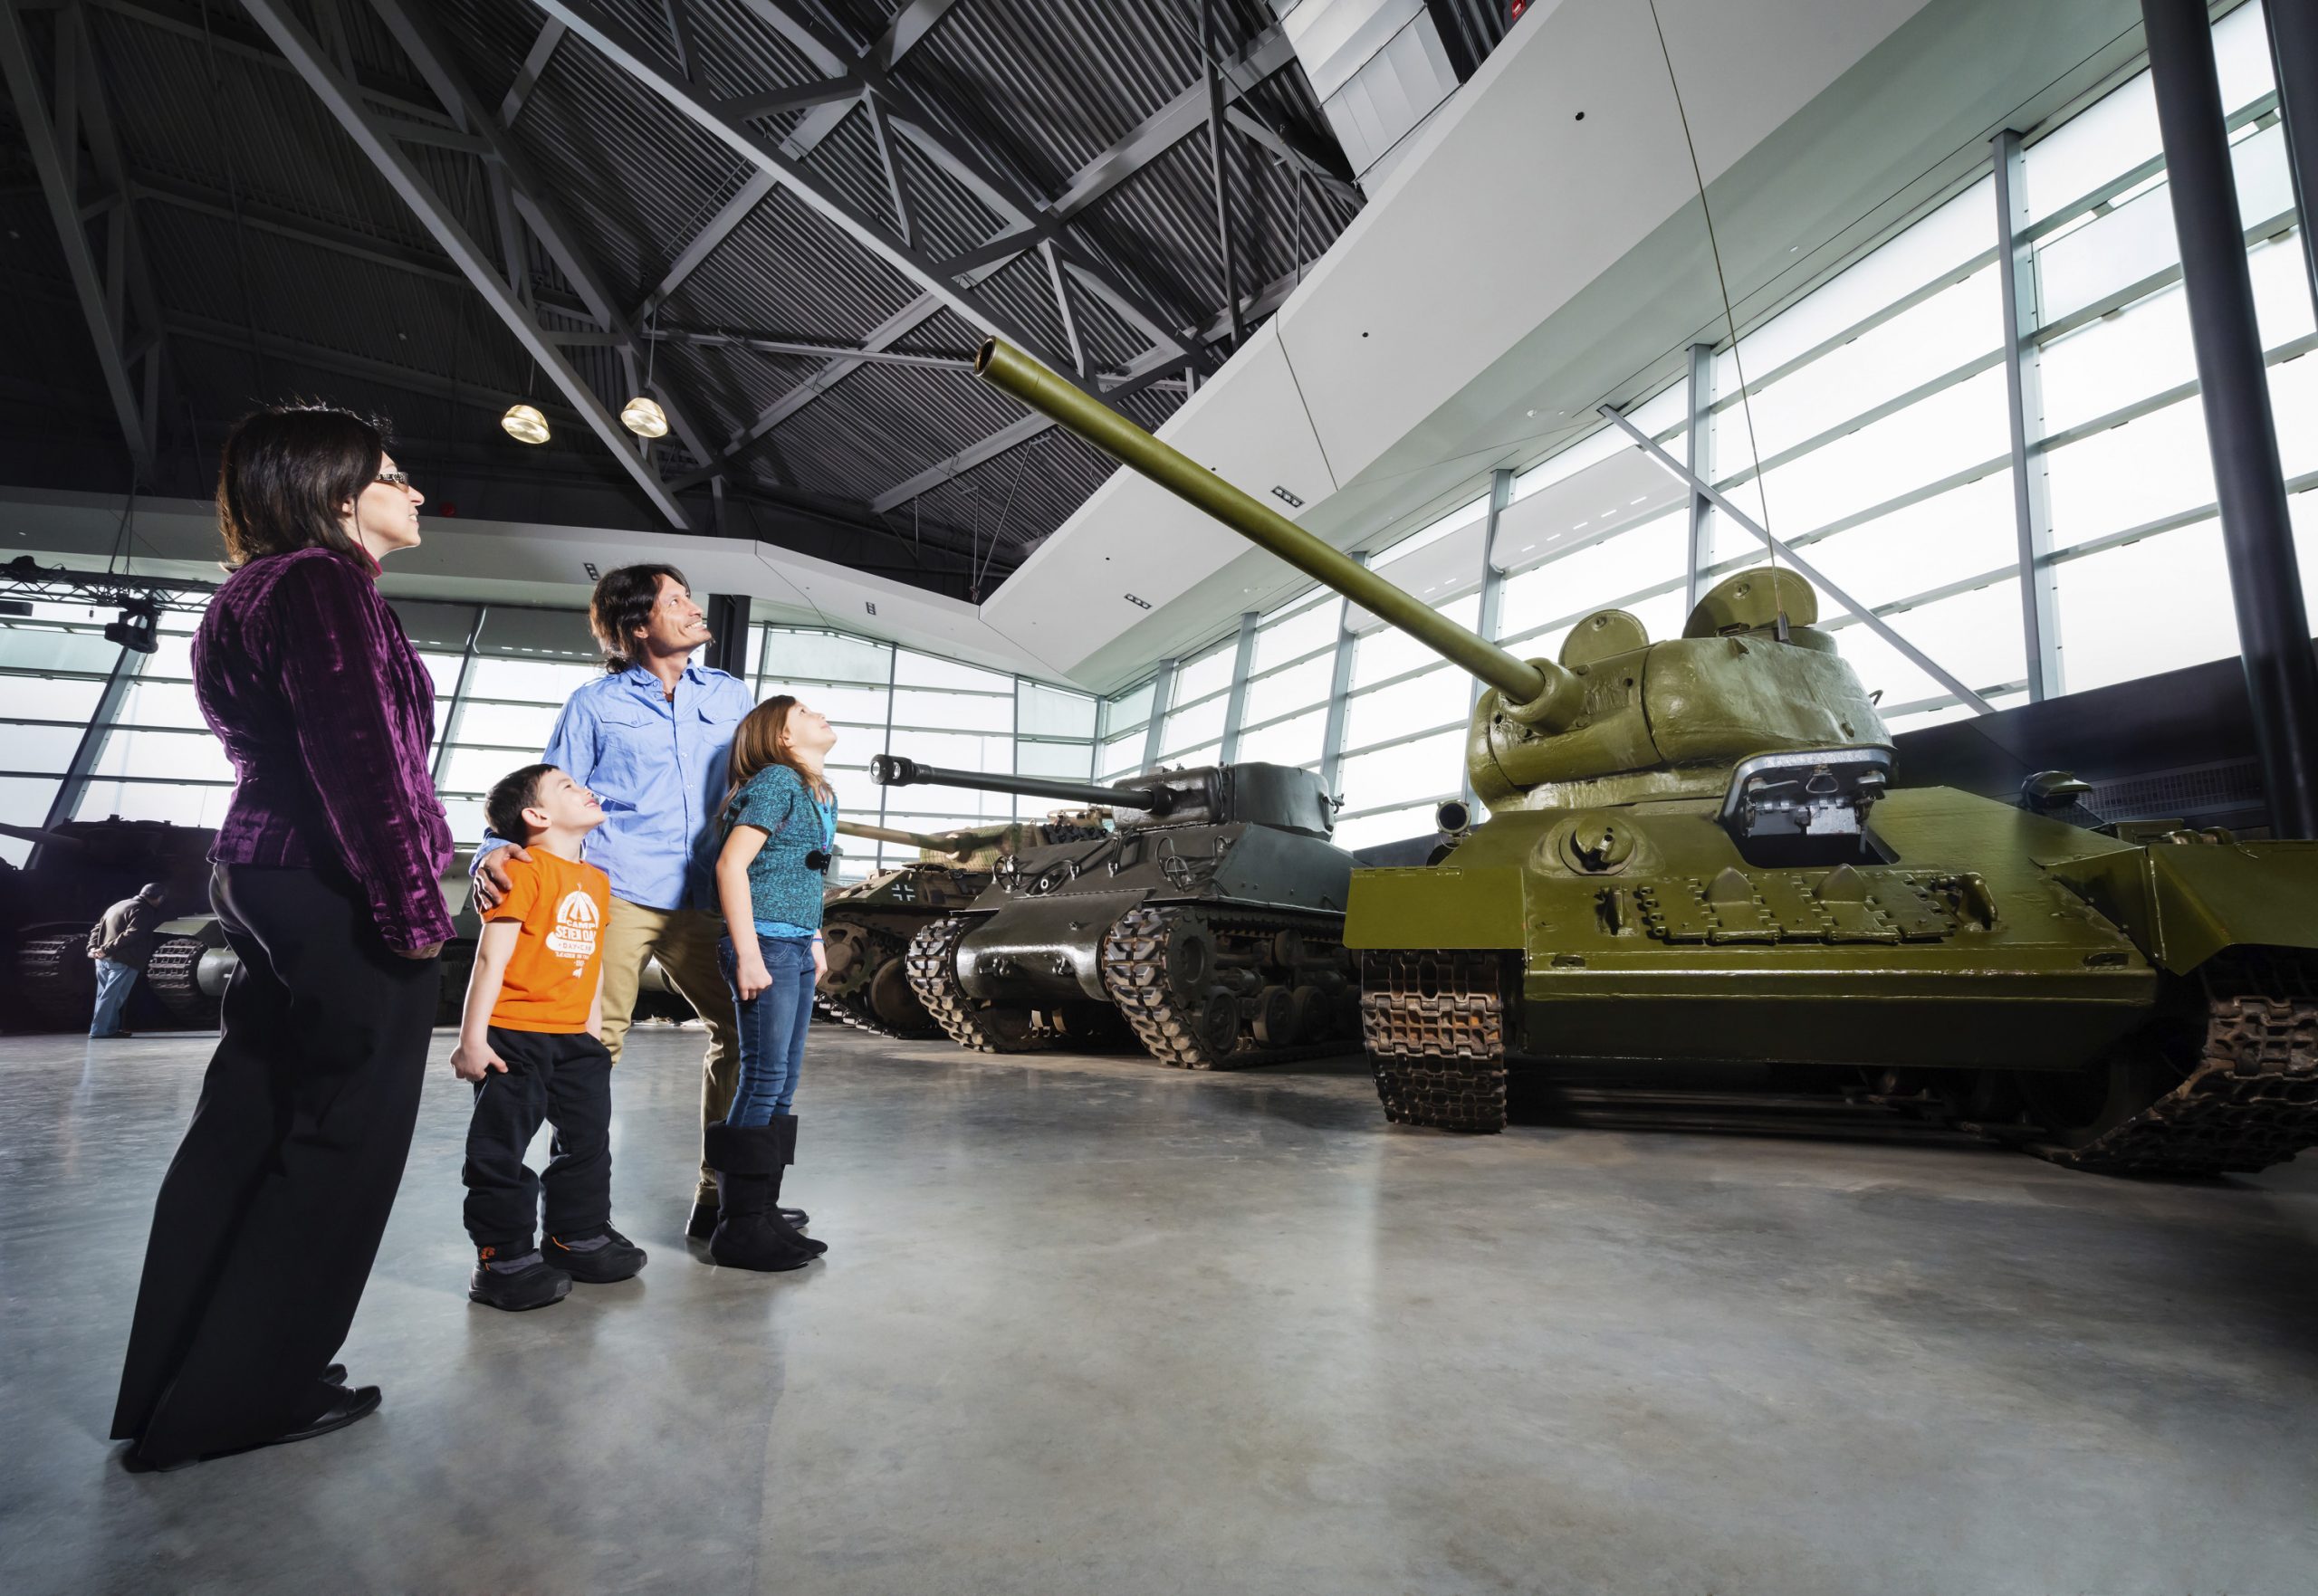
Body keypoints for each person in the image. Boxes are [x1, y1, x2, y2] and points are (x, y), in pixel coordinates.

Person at [110, 405, 449, 1471]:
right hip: (330, 875)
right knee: (342, 1141)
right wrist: (412, 911)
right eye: (393, 475)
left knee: (246, 1123)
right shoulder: (322, 583)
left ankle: (180, 1382)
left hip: (262, 869)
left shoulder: (251, 590)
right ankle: (241, 1400)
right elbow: (364, 760)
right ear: (336, 491)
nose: (416, 492)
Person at [472, 566, 808, 1243]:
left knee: (746, 1038)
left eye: (689, 595)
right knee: (592, 1046)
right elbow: (542, 789)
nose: (692, 606)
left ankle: (724, 1197)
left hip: (710, 896)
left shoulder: (731, 694)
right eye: (675, 599)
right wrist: (491, 851)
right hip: (615, 892)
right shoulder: (593, 705)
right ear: (637, 625)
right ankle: (572, 1216)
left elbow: (763, 790)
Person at [454, 763, 645, 1311]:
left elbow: (594, 965)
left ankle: (575, 1235)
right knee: (501, 1148)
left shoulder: (597, 880)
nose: (584, 790)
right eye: (567, 787)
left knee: (588, 1141)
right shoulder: (523, 871)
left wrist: (593, 1034)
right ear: (536, 816)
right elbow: (491, 956)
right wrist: (472, 1039)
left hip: (574, 1039)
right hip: (513, 1035)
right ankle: (502, 1257)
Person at [704, 695, 838, 1273]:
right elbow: (731, 866)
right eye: (805, 712)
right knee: (762, 1080)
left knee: (782, 1084)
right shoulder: (778, 779)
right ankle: (736, 1228)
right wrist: (751, 955)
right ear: (782, 737)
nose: (819, 715)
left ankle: (763, 1210)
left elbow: (801, 874)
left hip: (794, 945)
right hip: (764, 945)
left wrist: (815, 942)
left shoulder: (817, 792)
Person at [86, 882, 166, 1038]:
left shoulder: (118, 905)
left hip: (102, 959)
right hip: (124, 959)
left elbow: (97, 928)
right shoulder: (143, 909)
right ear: (160, 898)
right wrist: (105, 949)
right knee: (113, 997)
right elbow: (133, 934)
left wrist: (93, 948)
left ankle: (110, 1029)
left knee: (105, 996)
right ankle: (99, 1031)